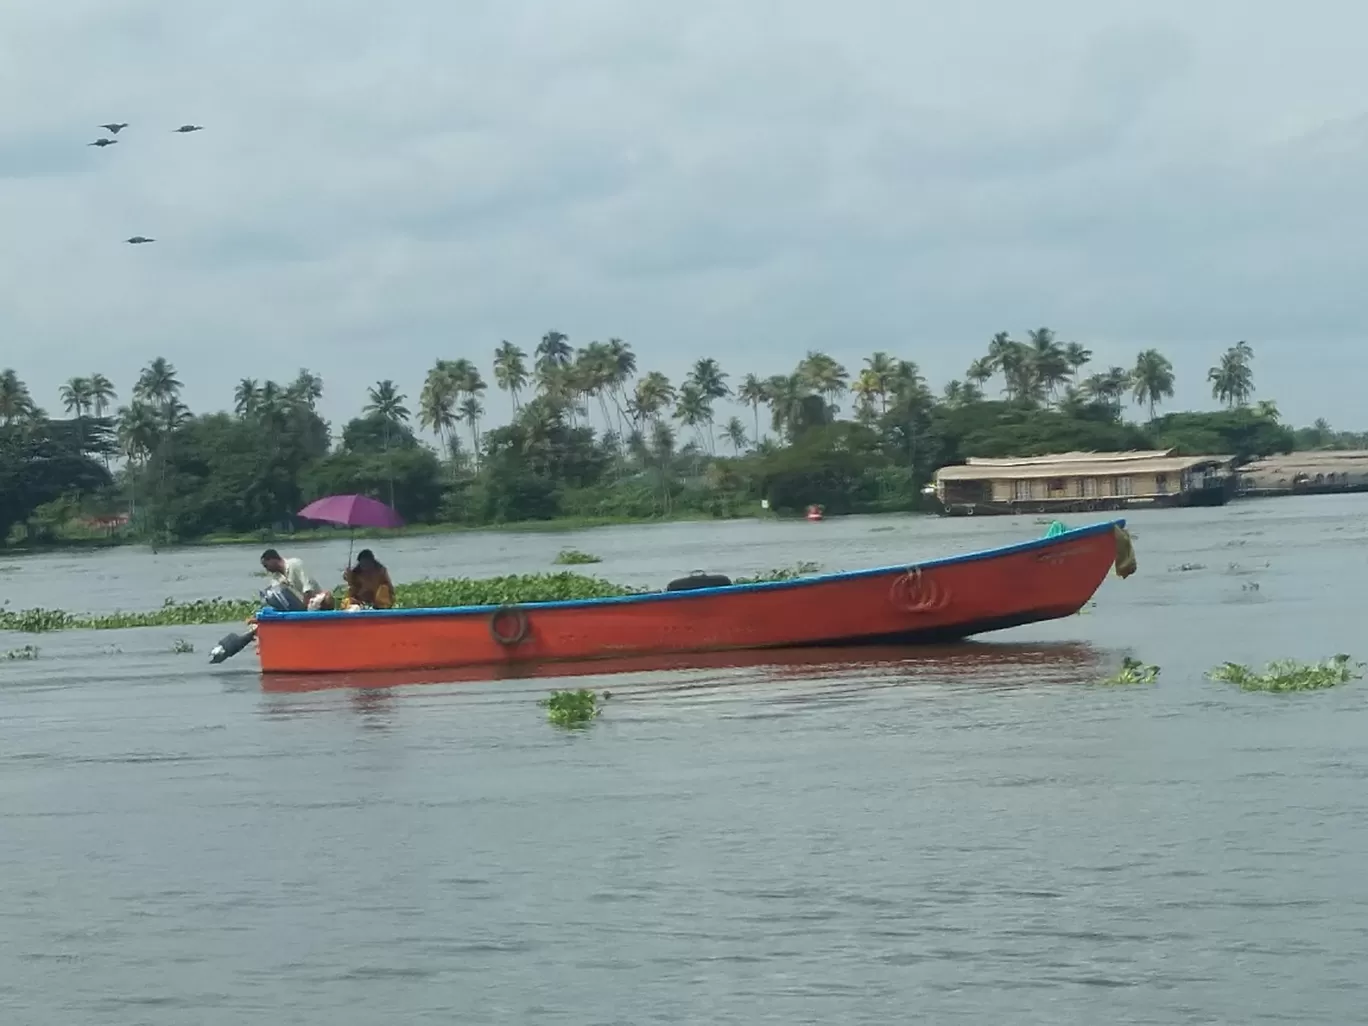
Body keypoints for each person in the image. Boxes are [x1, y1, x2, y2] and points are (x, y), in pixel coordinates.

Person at [260, 548, 335, 611]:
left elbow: (308, 589)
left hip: (318, 603)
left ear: (273, 560)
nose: (267, 569)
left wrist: (304, 611)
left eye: (266, 565)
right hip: (300, 608)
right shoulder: (276, 577)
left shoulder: (295, 564)